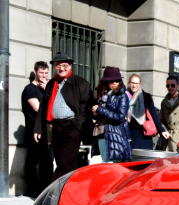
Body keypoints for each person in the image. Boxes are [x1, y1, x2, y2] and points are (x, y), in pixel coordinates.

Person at [34, 52, 92, 180]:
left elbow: (86, 106)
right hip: (55, 127)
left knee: (65, 164)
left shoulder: (80, 83)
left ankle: (53, 192)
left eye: (65, 65)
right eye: (58, 65)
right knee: (63, 162)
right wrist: (38, 128)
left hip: (72, 127)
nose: (61, 68)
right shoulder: (51, 83)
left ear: (70, 66)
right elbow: (43, 107)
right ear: (54, 67)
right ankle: (69, 191)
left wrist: (79, 125)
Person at [21, 61, 52, 197]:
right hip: (34, 130)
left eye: (46, 73)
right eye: (41, 72)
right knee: (33, 161)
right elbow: (39, 109)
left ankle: (44, 189)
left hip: (46, 131)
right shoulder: (30, 89)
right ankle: (33, 190)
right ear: (35, 72)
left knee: (47, 161)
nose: (44, 76)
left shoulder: (45, 88)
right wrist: (47, 91)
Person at [91, 66, 131, 162]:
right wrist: (95, 113)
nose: (114, 83)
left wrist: (100, 110)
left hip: (115, 134)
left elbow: (120, 117)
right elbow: (101, 114)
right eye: (111, 81)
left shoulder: (122, 96)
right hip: (101, 132)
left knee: (112, 165)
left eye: (116, 81)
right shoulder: (103, 95)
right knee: (105, 163)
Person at [127, 73, 169, 150]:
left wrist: (162, 131)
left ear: (140, 84)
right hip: (129, 134)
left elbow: (154, 115)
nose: (134, 85)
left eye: (136, 83)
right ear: (129, 83)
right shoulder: (124, 96)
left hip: (144, 134)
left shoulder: (146, 97)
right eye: (132, 82)